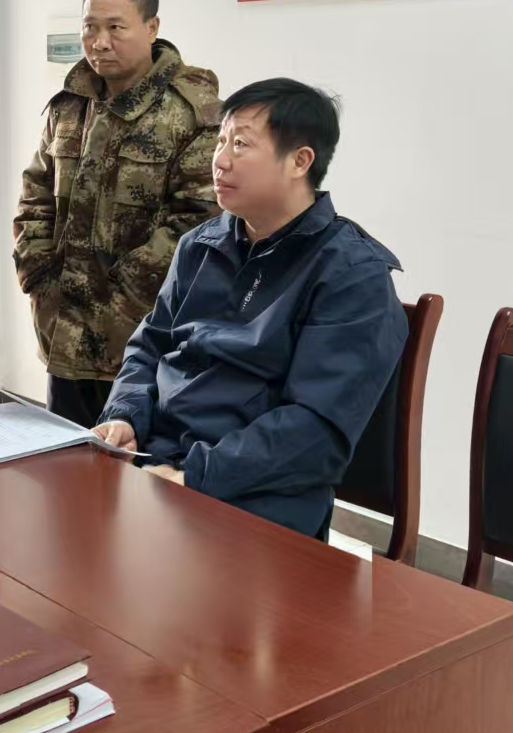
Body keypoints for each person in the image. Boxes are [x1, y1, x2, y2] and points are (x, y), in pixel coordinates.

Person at [91, 79, 407, 540]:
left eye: (240, 144)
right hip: (157, 464)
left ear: (300, 161)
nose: (219, 160)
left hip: (256, 498)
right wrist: (124, 415)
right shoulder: (199, 245)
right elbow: (148, 347)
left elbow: (314, 430)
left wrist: (194, 478)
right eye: (221, 141)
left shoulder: (351, 274)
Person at [14, 0, 220, 428]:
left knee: (132, 464)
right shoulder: (71, 103)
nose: (100, 42)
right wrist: (39, 274)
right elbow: (35, 194)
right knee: (65, 457)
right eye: (90, 27)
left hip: (143, 338)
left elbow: (199, 220)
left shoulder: (191, 110)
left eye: (115, 27)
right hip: (62, 332)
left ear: (152, 27)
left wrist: (119, 292)